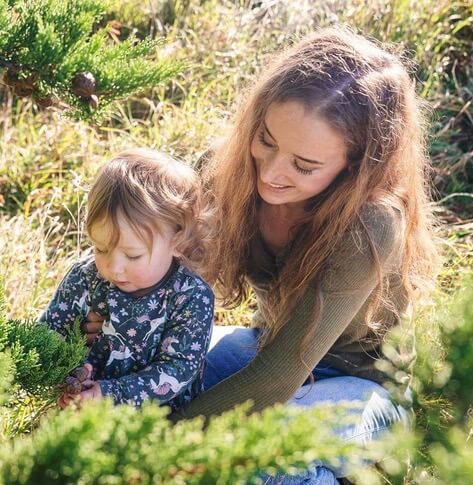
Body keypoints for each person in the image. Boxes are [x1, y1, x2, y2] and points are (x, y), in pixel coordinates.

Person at [83, 27, 438, 483]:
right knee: (153, 392)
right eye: (267, 140)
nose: (271, 172)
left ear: (357, 163)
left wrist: (157, 447)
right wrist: (106, 313)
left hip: (362, 389)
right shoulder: (237, 175)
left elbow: (280, 374)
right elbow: (169, 270)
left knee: (265, 458)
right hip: (266, 343)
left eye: (304, 165)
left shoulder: (371, 223)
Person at [39, 149, 214, 410]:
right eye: (100, 249)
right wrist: (70, 375)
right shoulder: (85, 278)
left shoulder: (190, 296)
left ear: (178, 241)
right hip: (80, 411)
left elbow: (176, 370)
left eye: (133, 256)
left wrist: (108, 395)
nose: (113, 268)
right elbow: (49, 333)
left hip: (160, 422)